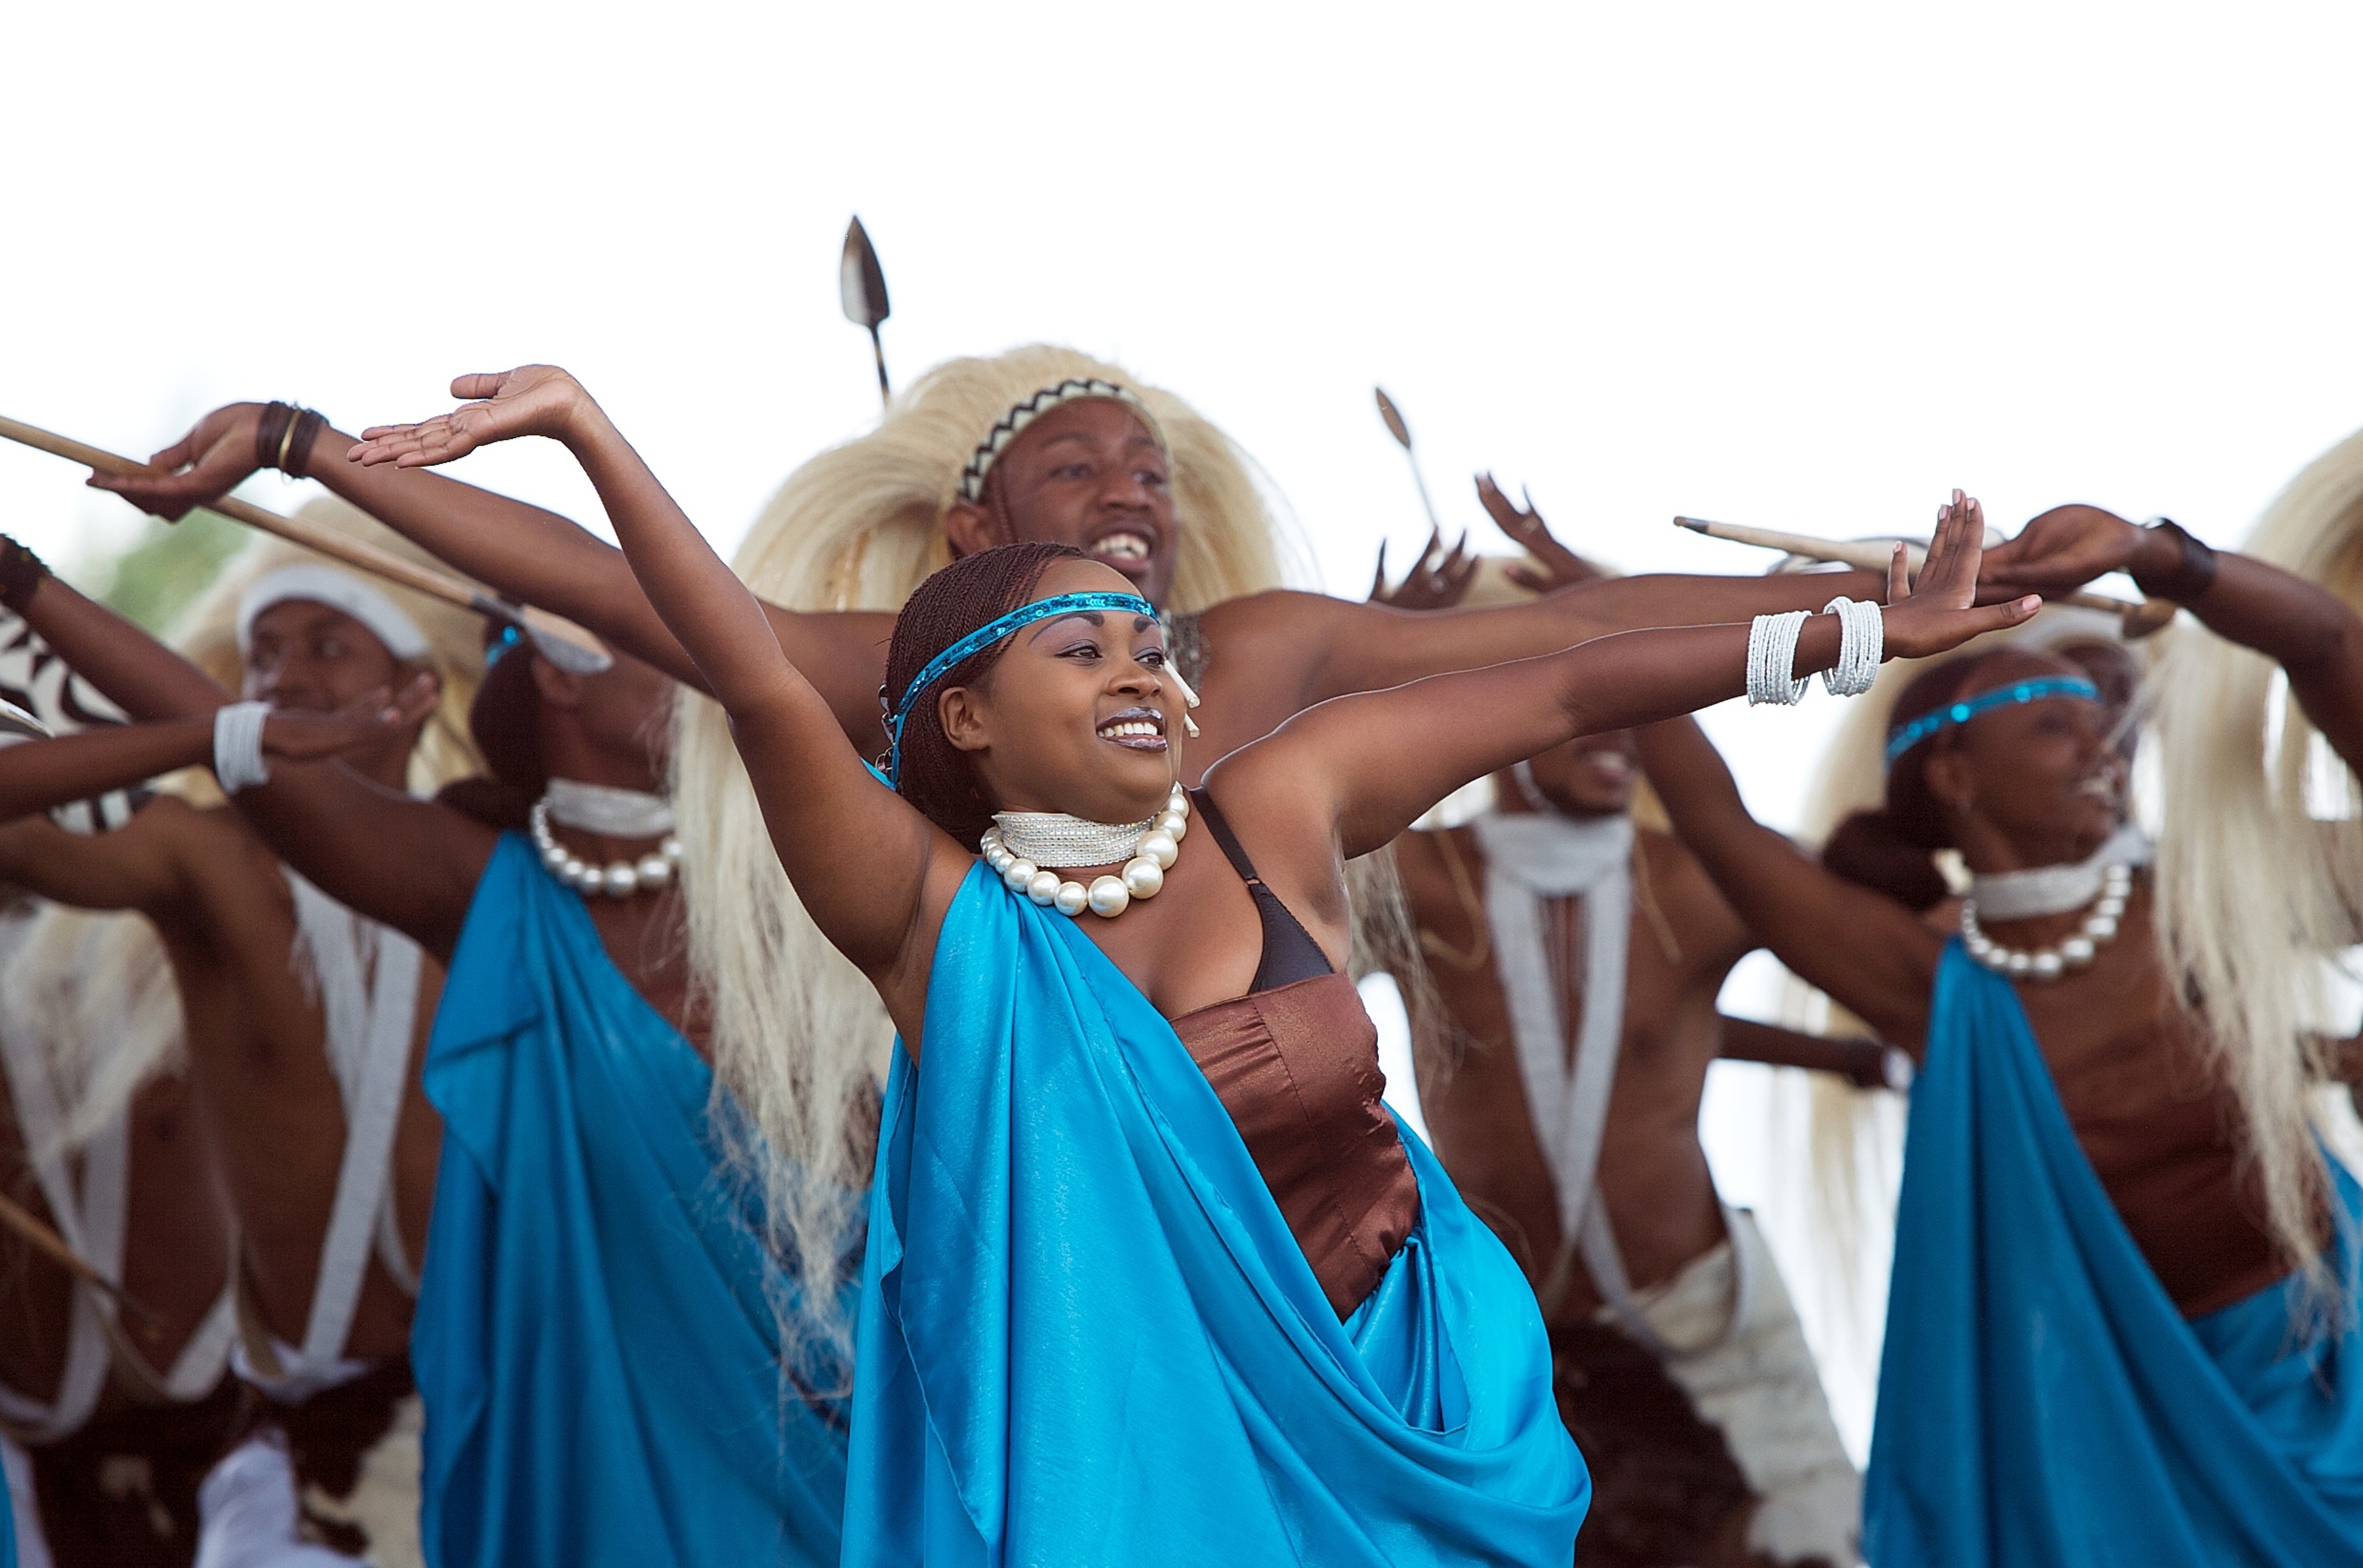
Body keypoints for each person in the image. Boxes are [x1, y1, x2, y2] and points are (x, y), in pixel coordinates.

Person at [348, 363, 2030, 1562]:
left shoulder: (1278, 795)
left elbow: (1568, 682)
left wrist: (1858, 621)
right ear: (957, 719)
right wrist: (564, 424)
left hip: (1397, 1415)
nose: (1145, 664)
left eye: (1148, 640)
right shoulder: (932, 919)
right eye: (1078, 647)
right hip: (1136, 1451)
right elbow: (734, 653)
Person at [101, 354, 1959, 1297]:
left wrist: (1856, 612)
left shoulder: (1277, 697)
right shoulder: (907, 851)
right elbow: (684, 628)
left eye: (1150, 466)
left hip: (1356, 1318)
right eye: (1075, 466)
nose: (1132, 483)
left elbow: (1562, 661)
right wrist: (315, 446)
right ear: (963, 566)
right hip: (1064, 1294)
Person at [1638, 497, 2363, 1562]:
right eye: (2054, 719)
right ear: (1953, 776)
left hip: (2336, 1371)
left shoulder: (2208, 900)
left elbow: (2334, 647)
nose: (2105, 742)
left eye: (2104, 717)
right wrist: (1750, 612)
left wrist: (2158, 555)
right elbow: (1713, 819)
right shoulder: (1928, 986)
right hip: (2122, 1439)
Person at [0, 511, 489, 1568]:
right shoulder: (207, 861)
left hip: (492, 1415)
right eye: (262, 651)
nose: (283, 674)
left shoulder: (480, 868)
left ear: (415, 687)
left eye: (326, 643)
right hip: (302, 1474)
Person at [1386, 507, 1863, 1567]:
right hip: (1496, 1332)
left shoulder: (1694, 882)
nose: (1612, 733)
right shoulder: (1422, 884)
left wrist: (1850, 1056)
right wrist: (1366, 661)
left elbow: (1697, 1022)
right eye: (1584, 704)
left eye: (1628, 708)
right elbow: (1262, 846)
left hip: (1701, 1315)